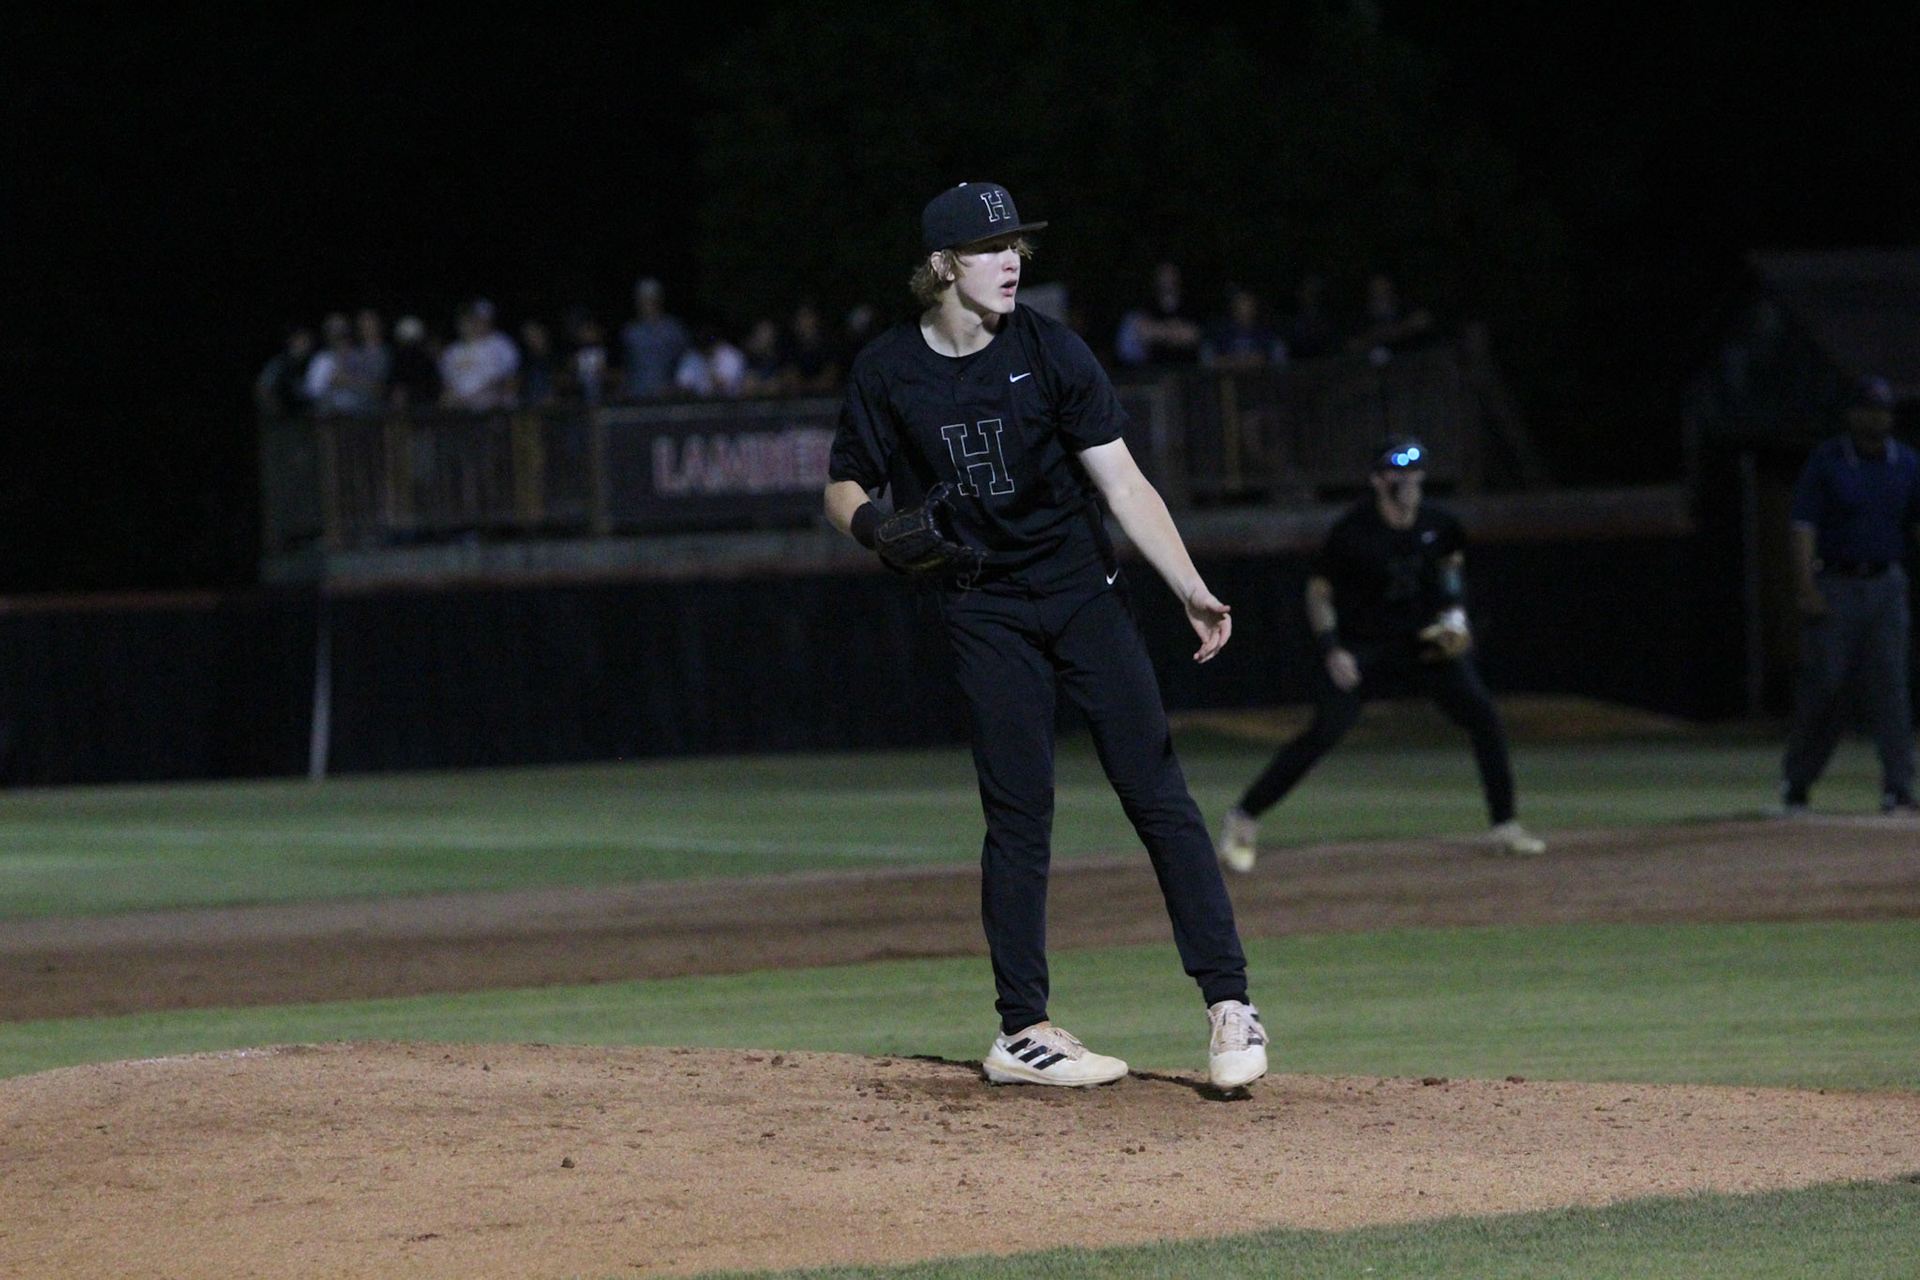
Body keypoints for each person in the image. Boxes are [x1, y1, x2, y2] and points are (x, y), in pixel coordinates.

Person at [825, 181, 1268, 1091]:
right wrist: (872, 527)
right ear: (943, 265)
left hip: (1081, 596)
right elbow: (842, 484)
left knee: (1157, 793)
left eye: (1016, 245)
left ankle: (1229, 1004)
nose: (1011, 261)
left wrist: (1189, 585)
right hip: (982, 607)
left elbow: (1123, 484)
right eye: (990, 248)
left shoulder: (1050, 350)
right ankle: (1022, 1030)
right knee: (1018, 814)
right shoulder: (887, 368)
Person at [1216, 437, 1547, 870]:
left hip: (1425, 645)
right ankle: (1243, 818)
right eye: (1397, 471)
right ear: (1377, 480)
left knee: (1484, 717)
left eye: (1415, 471)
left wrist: (1454, 615)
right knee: (1326, 730)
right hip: (1364, 648)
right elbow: (1318, 593)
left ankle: (1505, 825)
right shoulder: (1353, 532)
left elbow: (1450, 571)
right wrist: (1332, 649)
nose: (1409, 480)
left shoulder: (1439, 523)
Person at [1781, 374, 1920, 815]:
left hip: (1887, 582)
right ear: (1851, 414)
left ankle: (1898, 788)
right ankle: (1797, 782)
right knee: (1825, 685)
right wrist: (1806, 586)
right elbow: (1803, 525)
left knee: (1892, 686)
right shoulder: (1828, 460)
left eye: (1882, 410)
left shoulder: (1907, 463)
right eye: (1867, 409)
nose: (1875, 418)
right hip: (1836, 582)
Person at [1114, 262, 1202, 368]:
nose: (1167, 282)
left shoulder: (1191, 307)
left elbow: (1192, 336)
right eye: (1163, 277)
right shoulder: (1146, 307)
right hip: (1153, 370)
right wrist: (1172, 331)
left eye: (1171, 276)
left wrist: (1158, 331)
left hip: (1187, 370)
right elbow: (1143, 334)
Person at [438, 298, 519, 411]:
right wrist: (455, 399)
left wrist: (473, 398)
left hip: (492, 408)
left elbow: (508, 379)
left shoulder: (499, 344)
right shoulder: (452, 351)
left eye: (471, 321)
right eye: (464, 321)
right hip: (460, 409)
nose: (468, 325)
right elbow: (448, 382)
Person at [620, 276, 690, 400]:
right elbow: (626, 365)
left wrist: (677, 387)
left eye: (651, 299)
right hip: (637, 396)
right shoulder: (630, 331)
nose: (647, 303)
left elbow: (687, 362)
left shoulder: (674, 330)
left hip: (668, 396)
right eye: (643, 299)